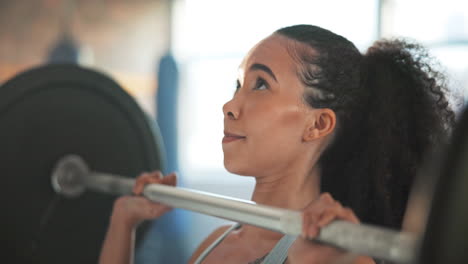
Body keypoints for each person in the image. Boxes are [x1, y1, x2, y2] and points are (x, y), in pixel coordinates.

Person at [99, 24, 455, 264]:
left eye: (261, 85)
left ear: (318, 124)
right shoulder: (216, 243)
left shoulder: (336, 256)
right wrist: (123, 222)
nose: (230, 106)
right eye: (239, 85)